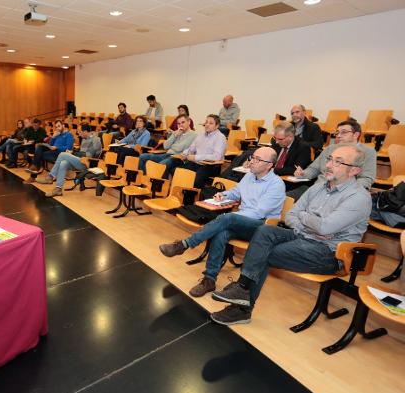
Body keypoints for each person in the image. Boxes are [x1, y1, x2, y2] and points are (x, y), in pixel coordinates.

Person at [209, 145, 371, 325]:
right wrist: (312, 223)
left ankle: (242, 306)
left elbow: (325, 227)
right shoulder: (318, 187)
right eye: (329, 159)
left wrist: (308, 221)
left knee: (264, 252)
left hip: (329, 252)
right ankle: (242, 291)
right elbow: (292, 215)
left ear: (354, 170)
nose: (329, 165)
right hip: (303, 236)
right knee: (264, 230)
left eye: (338, 162)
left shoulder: (359, 197)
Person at [159, 146, 285, 298]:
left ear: (269, 165)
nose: (252, 162)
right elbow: (236, 192)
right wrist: (223, 195)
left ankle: (184, 244)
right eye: (252, 157)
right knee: (221, 233)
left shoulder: (276, 185)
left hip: (262, 227)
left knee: (227, 218)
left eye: (258, 159)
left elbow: (259, 212)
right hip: (241, 220)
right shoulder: (250, 176)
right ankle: (209, 279)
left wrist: (235, 216)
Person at [290, 118, 376, 200]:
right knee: (286, 199)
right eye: (337, 132)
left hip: (342, 193)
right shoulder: (330, 148)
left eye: (344, 132)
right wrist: (303, 173)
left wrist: (345, 189)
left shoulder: (368, 152)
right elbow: (314, 168)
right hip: (318, 188)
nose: (338, 136)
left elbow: (366, 179)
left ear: (356, 135)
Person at [223, 121, 311, 183]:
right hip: (268, 176)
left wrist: (271, 170)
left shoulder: (303, 147)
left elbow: (294, 169)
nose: (276, 142)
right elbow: (267, 156)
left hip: (284, 181)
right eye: (275, 138)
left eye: (280, 139)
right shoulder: (277, 142)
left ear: (290, 137)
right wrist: (251, 161)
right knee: (244, 161)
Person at [35, 124, 102, 197]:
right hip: (81, 161)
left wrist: (73, 153)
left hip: (89, 163)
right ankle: (58, 189)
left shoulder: (96, 139)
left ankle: (50, 177)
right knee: (63, 163)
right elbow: (81, 153)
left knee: (62, 154)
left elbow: (89, 155)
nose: (78, 134)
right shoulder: (84, 139)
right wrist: (73, 152)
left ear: (85, 131)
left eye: (79, 132)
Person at [166, 114, 227, 187]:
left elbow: (217, 157)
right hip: (196, 163)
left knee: (194, 180)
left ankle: (193, 196)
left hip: (210, 166)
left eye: (210, 123)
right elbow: (191, 148)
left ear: (217, 126)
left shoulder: (220, 137)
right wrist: (185, 154)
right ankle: (179, 195)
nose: (207, 125)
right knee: (175, 171)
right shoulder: (201, 135)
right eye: (206, 122)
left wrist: (196, 157)